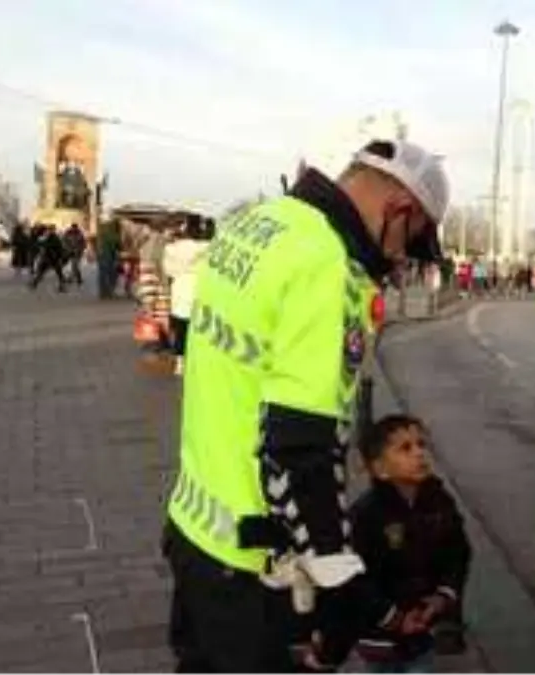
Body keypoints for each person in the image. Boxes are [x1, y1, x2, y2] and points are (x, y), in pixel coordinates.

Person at [162, 138, 449, 675]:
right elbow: (300, 443)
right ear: (399, 210)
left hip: (194, 527)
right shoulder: (327, 266)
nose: (399, 257)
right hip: (251, 568)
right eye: (410, 240)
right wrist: (340, 574)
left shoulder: (261, 221)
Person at [350, 414, 471, 675]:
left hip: (421, 628)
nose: (419, 453)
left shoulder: (439, 502)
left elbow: (458, 552)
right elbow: (357, 575)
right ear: (380, 468)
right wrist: (393, 617)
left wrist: (443, 596)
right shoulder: (367, 514)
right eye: (405, 448)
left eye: (421, 445)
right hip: (378, 636)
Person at [161, 218, 211, 375]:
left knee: (180, 331)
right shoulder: (205, 247)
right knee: (199, 332)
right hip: (198, 290)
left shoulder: (171, 249)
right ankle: (198, 363)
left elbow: (167, 271)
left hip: (179, 290)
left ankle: (179, 364)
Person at [30, 225, 68, 292]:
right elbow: (58, 248)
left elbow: (58, 248)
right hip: (50, 258)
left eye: (51, 230)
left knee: (58, 273)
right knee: (57, 273)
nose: (50, 231)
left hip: (51, 258)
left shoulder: (52, 238)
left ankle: (34, 283)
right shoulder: (50, 238)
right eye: (50, 230)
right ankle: (34, 283)